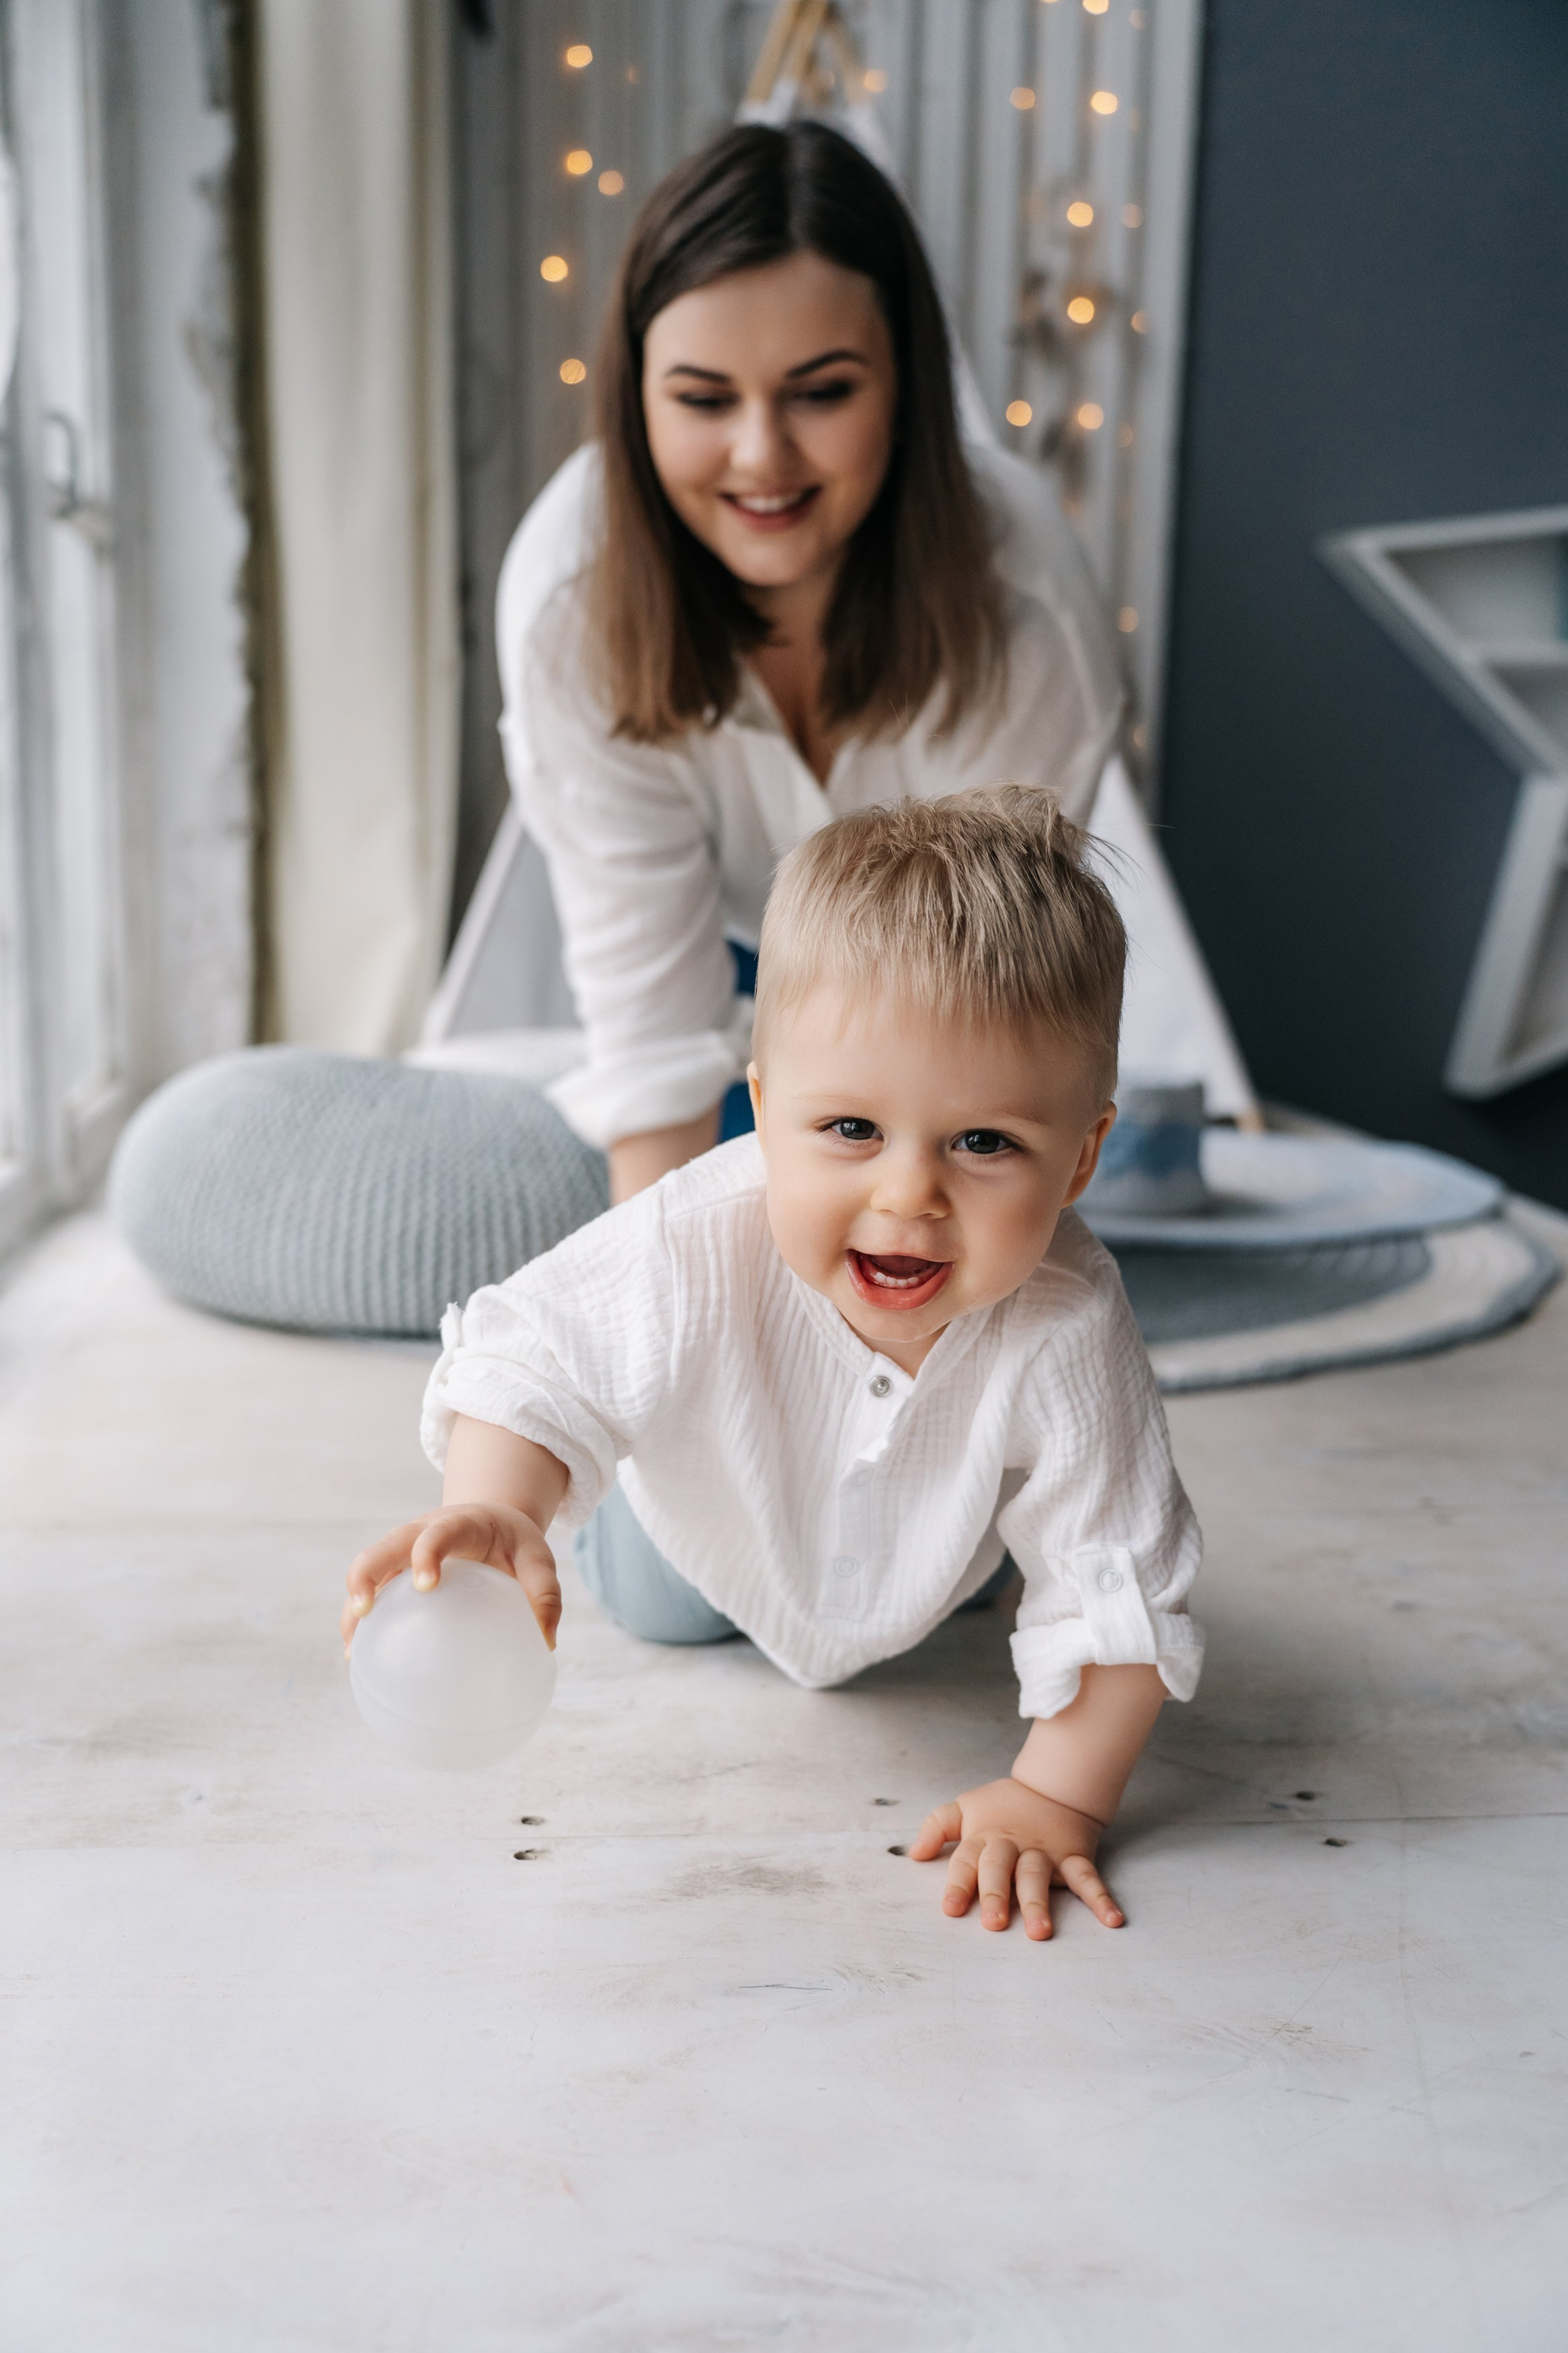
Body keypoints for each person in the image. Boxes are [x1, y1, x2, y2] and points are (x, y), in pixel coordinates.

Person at [343, 791, 1203, 1940]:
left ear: (1083, 1156)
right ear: (760, 1109)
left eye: (984, 1143)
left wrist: (1054, 1795)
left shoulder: (1066, 1319)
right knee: (659, 1598)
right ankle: (620, 1539)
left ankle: (971, 1565)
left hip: (928, 1556)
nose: (907, 1196)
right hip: (695, 1526)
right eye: (849, 1130)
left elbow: (1119, 1585)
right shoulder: (698, 1232)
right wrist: (500, 1504)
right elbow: (542, 1356)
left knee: (1018, 1565)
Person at [497, 118, 1119, 1205]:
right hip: (719, 961)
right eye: (701, 400)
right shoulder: (568, 607)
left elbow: (979, 1035)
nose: (760, 456)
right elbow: (653, 1054)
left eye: (821, 392)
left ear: (905, 388)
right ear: (636, 400)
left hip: (936, 1015)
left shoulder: (1026, 610)